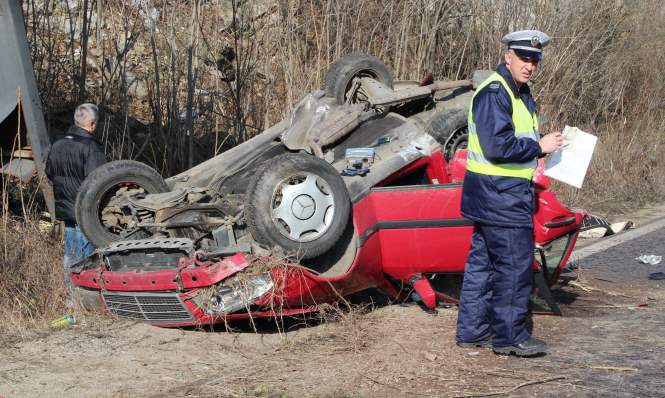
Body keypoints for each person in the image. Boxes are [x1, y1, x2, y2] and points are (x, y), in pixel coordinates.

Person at [455, 30, 563, 357]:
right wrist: (538, 147)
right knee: (515, 269)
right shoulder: (495, 92)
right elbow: (497, 146)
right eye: (523, 58)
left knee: (483, 268)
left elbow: (513, 135)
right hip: (502, 198)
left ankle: (473, 332)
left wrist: (546, 142)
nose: (529, 65)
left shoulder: (517, 92)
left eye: (534, 60)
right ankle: (509, 338)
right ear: (508, 56)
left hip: (493, 196)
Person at [46, 103, 106, 276]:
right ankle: (82, 297)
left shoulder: (57, 144)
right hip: (85, 211)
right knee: (87, 259)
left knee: (71, 254)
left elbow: (49, 173)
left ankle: (70, 296)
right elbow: (98, 181)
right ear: (93, 124)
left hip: (65, 208)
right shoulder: (91, 148)